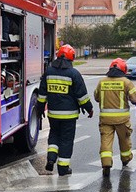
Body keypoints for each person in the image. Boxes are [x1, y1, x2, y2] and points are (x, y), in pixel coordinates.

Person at [36, 44, 93, 176]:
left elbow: (42, 95)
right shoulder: (74, 74)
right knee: (66, 140)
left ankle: (51, 159)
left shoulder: (48, 72)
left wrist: (39, 110)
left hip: (53, 114)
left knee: (54, 135)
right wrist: (89, 109)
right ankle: (63, 168)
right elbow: (82, 96)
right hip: (69, 116)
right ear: (71, 58)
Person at [94, 58, 136, 177]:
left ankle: (106, 163)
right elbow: (135, 99)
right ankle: (125, 159)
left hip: (105, 119)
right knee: (124, 140)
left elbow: (96, 97)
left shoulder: (102, 82)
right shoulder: (126, 82)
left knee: (106, 141)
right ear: (123, 70)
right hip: (122, 119)